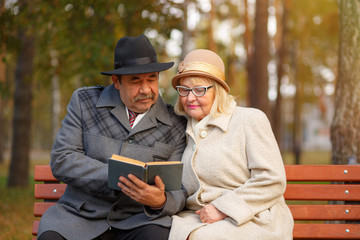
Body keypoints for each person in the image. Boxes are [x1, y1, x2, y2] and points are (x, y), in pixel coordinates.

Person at [37, 35, 187, 240]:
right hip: (79, 218)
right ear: (116, 81)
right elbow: (62, 159)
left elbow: (181, 188)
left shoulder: (176, 123)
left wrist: (160, 201)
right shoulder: (85, 102)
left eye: (152, 78)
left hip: (139, 221)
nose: (146, 89)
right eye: (136, 81)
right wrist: (116, 176)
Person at [168, 49, 294, 240]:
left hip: (253, 218)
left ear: (217, 90)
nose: (190, 98)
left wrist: (222, 208)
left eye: (199, 89)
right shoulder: (182, 128)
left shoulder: (249, 119)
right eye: (184, 90)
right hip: (197, 219)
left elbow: (272, 179)